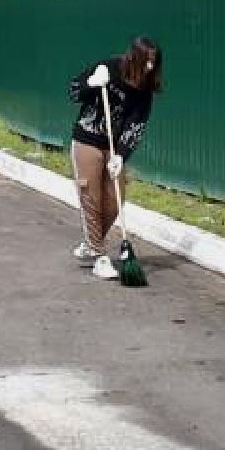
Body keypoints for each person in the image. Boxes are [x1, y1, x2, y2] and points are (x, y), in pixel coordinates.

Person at [67, 37, 164, 280]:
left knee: (114, 199)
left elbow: (136, 124)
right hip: (87, 139)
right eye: (146, 62)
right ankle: (99, 256)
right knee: (91, 196)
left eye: (153, 63)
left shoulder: (145, 89)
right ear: (134, 58)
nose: (149, 68)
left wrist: (121, 154)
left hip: (113, 146)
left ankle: (91, 242)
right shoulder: (108, 67)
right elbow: (74, 91)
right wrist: (92, 84)